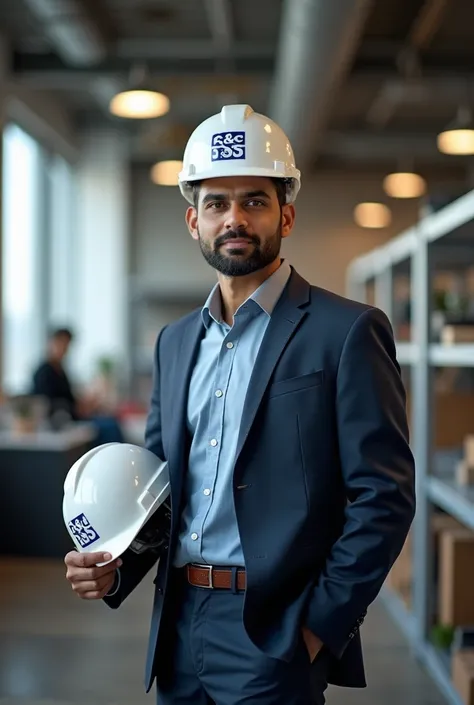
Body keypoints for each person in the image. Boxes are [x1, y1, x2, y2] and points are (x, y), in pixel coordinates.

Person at [64, 104, 416, 705]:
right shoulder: (174, 343)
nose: (235, 219)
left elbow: (384, 497)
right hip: (177, 624)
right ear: (192, 220)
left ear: (287, 213)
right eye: (216, 203)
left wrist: (314, 628)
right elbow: (159, 490)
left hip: (274, 630)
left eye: (254, 200)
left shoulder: (346, 331)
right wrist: (115, 563)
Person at [32, 327, 124, 444]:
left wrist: (86, 403)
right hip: (60, 422)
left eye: (67, 345)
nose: (64, 349)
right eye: (61, 344)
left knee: (112, 423)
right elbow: (47, 403)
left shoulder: (61, 370)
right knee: (109, 428)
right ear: (52, 343)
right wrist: (77, 408)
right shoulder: (43, 372)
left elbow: (70, 398)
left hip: (73, 417)